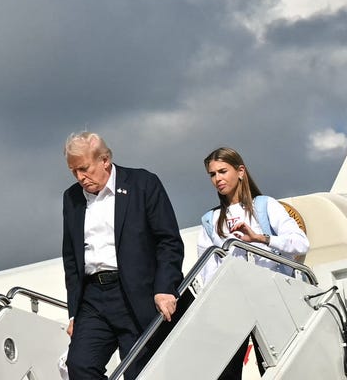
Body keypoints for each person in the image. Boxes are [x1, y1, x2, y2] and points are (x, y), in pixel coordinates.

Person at [62, 131, 184, 380]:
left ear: (104, 160)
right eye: (74, 171)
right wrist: (74, 311)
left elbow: (168, 241)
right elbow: (71, 258)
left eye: (84, 169)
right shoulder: (71, 198)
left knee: (137, 373)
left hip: (136, 294)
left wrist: (165, 288)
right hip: (93, 298)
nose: (80, 177)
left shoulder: (143, 183)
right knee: (79, 365)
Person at [197, 147, 309, 379]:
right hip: (234, 303)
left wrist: (260, 238)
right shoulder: (211, 220)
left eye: (222, 171)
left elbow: (300, 243)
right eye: (212, 174)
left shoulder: (265, 206)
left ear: (240, 171)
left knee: (277, 367)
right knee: (227, 371)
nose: (217, 179)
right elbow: (207, 271)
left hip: (271, 297)